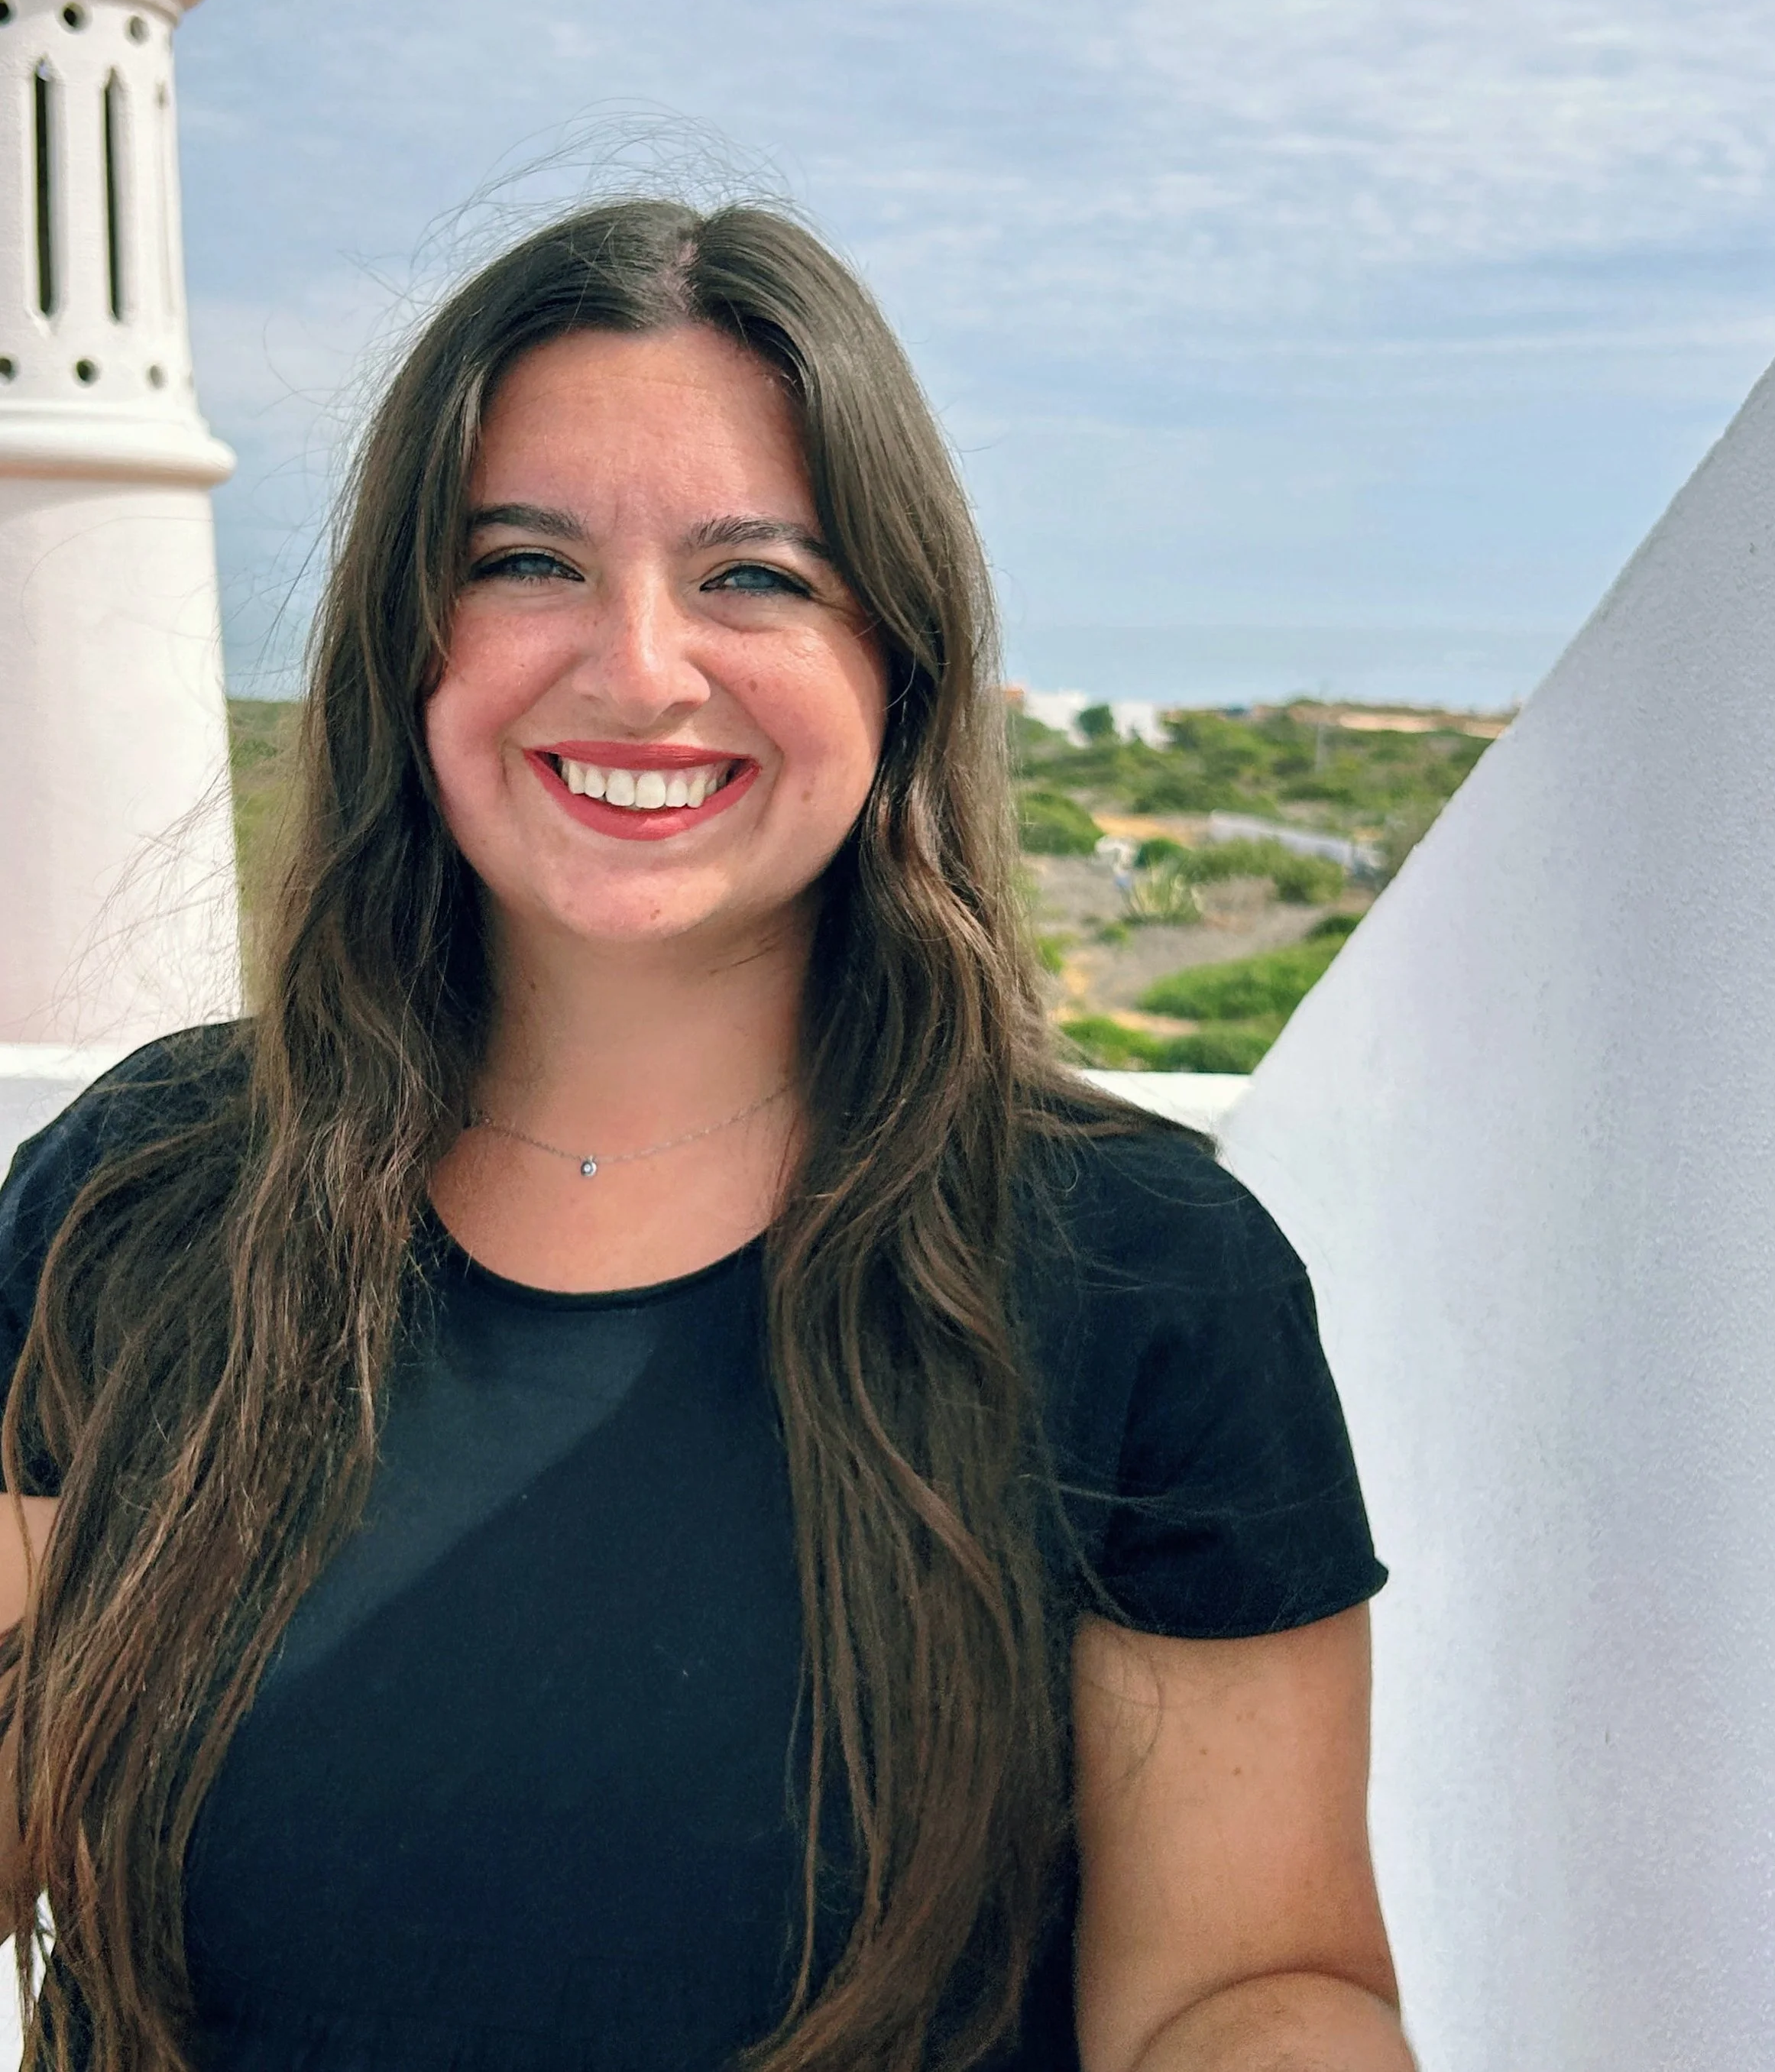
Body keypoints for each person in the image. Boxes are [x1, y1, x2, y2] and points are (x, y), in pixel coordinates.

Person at [0, 200, 1411, 2072]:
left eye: (753, 575)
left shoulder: (1138, 1267)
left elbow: (1246, 1983)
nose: (638, 666)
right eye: (524, 561)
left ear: (892, 657)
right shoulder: (147, 1184)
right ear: (407, 643)